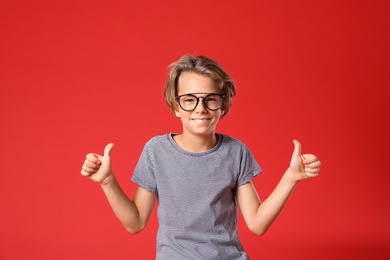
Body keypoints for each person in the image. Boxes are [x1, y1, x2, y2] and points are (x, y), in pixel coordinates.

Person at [80, 54, 321, 259]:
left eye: (210, 99)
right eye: (189, 100)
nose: (200, 108)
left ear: (223, 105)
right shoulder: (156, 151)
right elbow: (135, 223)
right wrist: (107, 181)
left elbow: (257, 224)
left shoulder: (235, 152)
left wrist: (291, 177)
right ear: (175, 106)